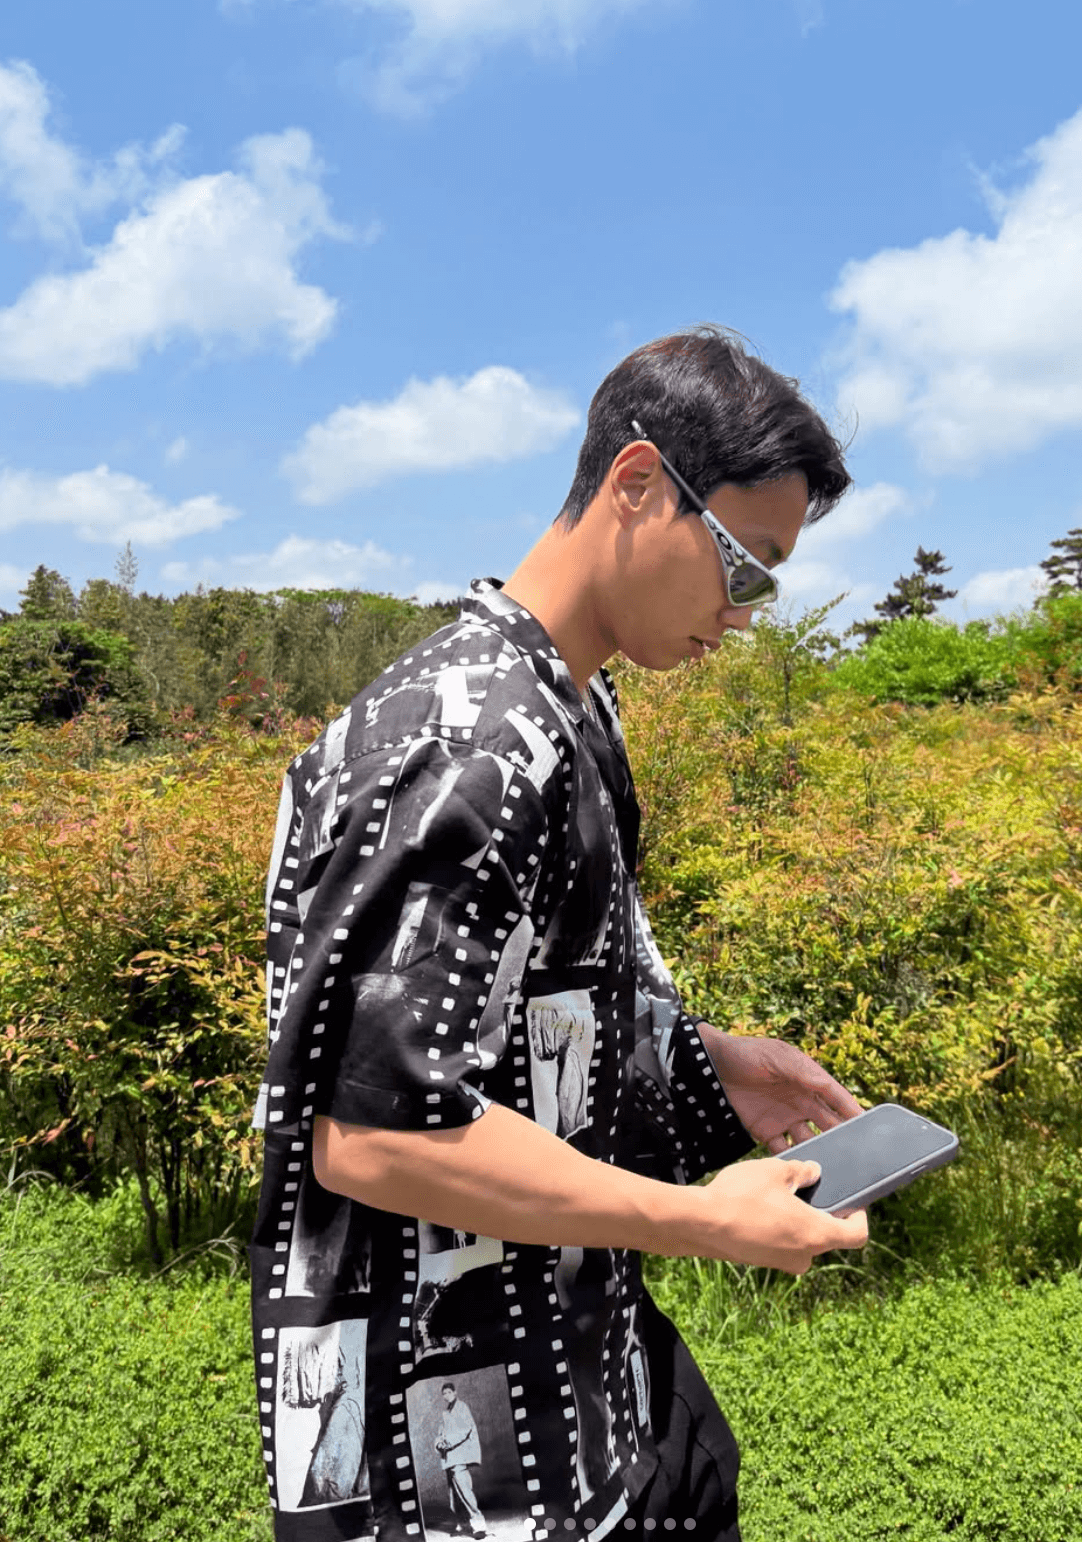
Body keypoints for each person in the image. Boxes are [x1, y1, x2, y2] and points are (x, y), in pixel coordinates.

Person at [249, 324, 869, 1542]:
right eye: (744, 566)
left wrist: (710, 1063)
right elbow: (375, 1136)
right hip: (442, 1465)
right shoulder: (467, 739)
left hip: (582, 1378)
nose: (746, 617)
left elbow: (533, 1020)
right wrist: (704, 1220)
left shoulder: (576, 707)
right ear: (638, 485)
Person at [435, 1383, 486, 1538]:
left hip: (458, 1456)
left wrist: (448, 1443)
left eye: (449, 1392)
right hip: (449, 1458)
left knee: (465, 1491)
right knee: (454, 1496)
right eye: (444, 1393)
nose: (447, 1395)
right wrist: (438, 1443)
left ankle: (479, 1526)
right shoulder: (446, 1412)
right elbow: (440, 1432)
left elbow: (465, 1429)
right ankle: (461, 1525)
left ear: (455, 1393)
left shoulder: (462, 1407)